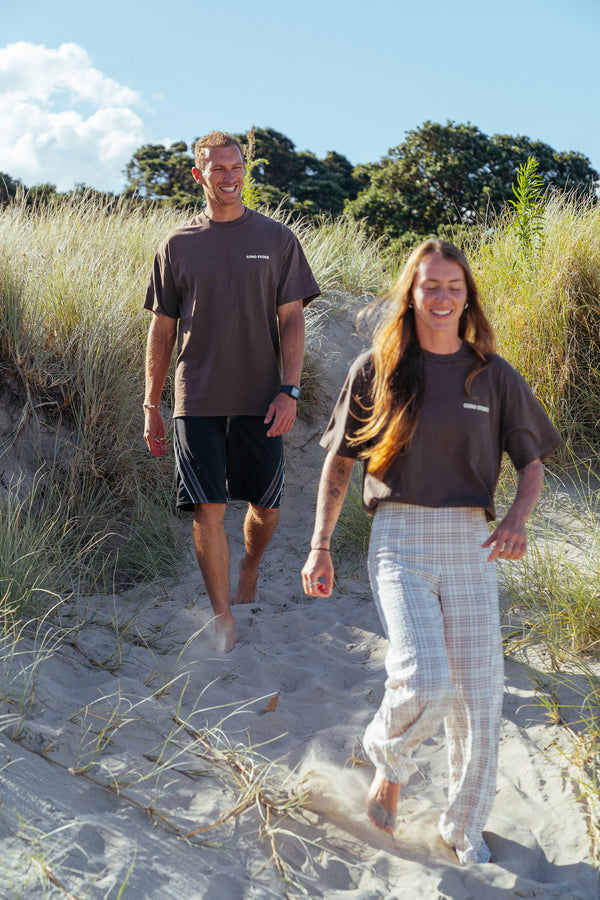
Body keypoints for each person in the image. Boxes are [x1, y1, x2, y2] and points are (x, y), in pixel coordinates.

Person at [301, 239, 562, 865]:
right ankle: (387, 764)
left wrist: (519, 521)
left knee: (479, 696)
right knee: (425, 676)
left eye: (454, 287)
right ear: (411, 293)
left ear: (467, 295)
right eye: (430, 286)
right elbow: (339, 463)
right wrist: (320, 546)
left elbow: (532, 467)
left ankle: (461, 830)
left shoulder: (492, 374)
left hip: (472, 541)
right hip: (400, 538)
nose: (443, 298)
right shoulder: (378, 367)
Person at [143, 130, 320, 653]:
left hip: (261, 395)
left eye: (236, 166)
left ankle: (251, 563)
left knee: (264, 506)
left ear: (245, 170)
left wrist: (289, 389)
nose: (229, 176)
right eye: (217, 168)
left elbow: (292, 321)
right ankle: (222, 616)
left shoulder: (276, 239)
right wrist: (151, 404)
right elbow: (162, 329)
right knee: (208, 506)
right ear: (199, 176)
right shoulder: (177, 244)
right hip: (195, 396)